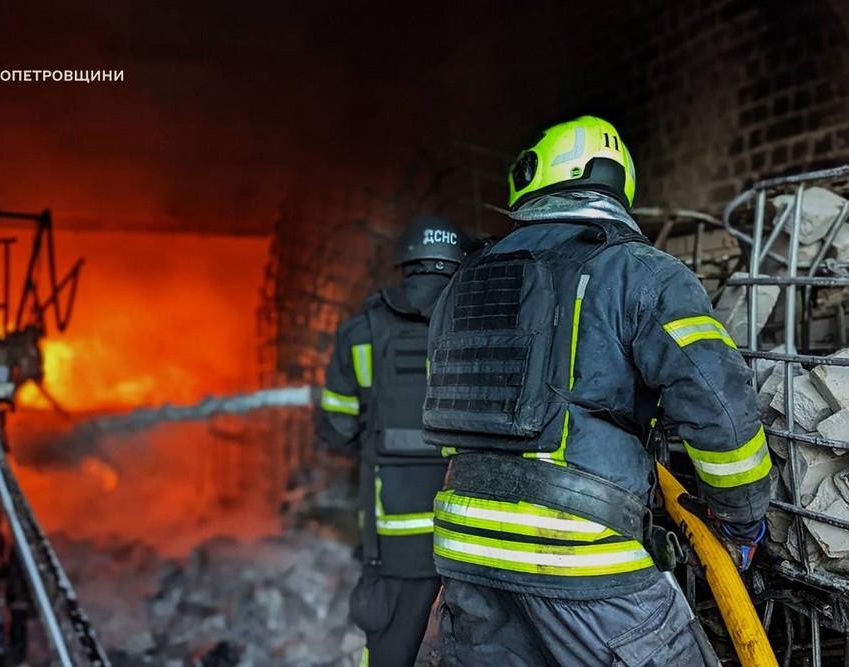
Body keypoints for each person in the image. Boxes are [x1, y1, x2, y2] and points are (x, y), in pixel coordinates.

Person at [423, 115, 771, 666]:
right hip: (580, 559)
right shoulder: (641, 273)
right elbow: (720, 410)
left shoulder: (464, 282)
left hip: (465, 555)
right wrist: (742, 516)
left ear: (533, 182)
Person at [317, 216, 468, 667]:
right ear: (457, 265)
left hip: (393, 540)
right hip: (476, 531)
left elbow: (335, 429)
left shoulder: (361, 333)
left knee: (389, 650)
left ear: (406, 262)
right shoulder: (486, 325)